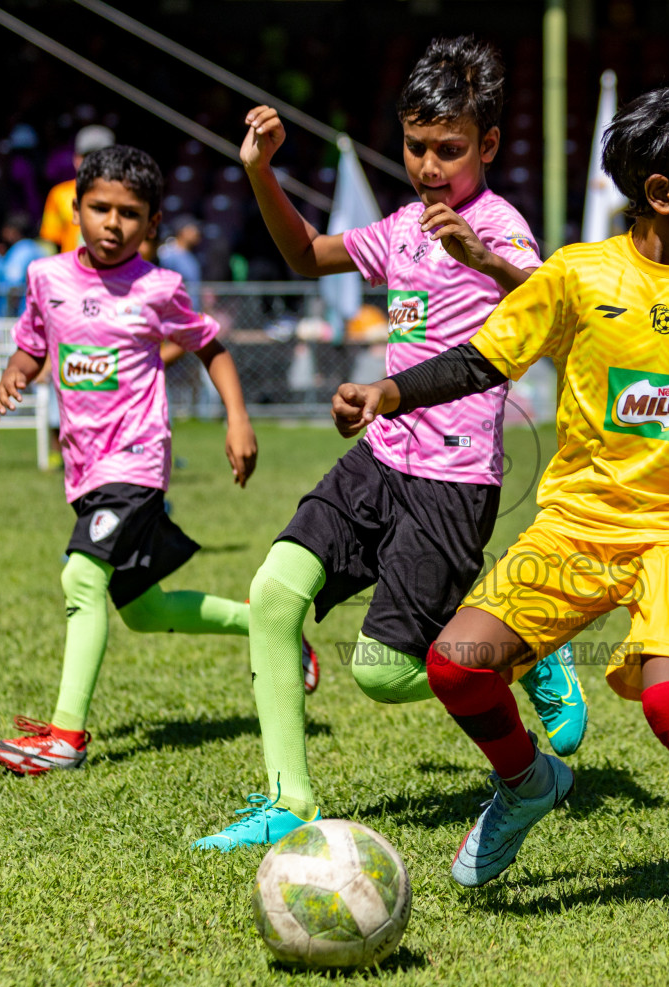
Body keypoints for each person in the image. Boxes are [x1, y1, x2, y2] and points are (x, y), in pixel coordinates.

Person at [329, 67, 669, 967]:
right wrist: (388, 389)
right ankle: (527, 782)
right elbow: (486, 358)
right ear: (661, 193)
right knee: (455, 666)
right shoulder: (577, 275)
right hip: (573, 526)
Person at [193, 36, 588, 851]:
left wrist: (481, 258)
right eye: (416, 147)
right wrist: (260, 171)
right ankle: (287, 800)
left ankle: (531, 657)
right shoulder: (404, 226)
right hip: (379, 457)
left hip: (453, 480)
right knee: (273, 594)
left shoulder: (501, 228)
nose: (430, 165)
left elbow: (557, 306)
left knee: (381, 672)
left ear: (488, 146)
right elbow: (306, 256)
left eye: (450, 149)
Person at [0, 145, 301, 774]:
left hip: (136, 460)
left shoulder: (160, 288)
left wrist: (238, 419)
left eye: (129, 213)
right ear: (76, 209)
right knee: (146, 611)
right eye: (99, 207)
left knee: (81, 578)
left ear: (151, 224)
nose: (111, 222)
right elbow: (33, 344)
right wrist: (15, 374)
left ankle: (64, 738)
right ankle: (270, 628)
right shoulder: (47, 279)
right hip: (85, 465)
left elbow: (211, 348)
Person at [40, 125, 116, 254]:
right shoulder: (59, 194)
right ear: (76, 159)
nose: (94, 163)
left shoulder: (124, 195)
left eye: (101, 157)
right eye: (87, 156)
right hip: (69, 271)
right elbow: (50, 242)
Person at [155, 215, 203, 308]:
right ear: (182, 231)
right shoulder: (168, 255)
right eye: (193, 229)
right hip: (174, 310)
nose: (197, 232)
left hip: (191, 309)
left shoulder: (192, 255)